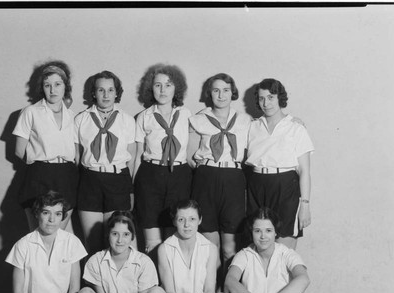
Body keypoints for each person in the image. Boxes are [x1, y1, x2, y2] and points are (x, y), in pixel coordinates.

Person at [187, 73, 251, 273]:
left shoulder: (245, 120)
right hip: (206, 179)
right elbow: (190, 157)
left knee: (230, 248)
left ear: (233, 93)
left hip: (233, 181)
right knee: (210, 248)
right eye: (216, 90)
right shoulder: (198, 120)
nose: (221, 95)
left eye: (226, 90)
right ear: (209, 93)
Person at [245, 78, 314, 250]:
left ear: (279, 98)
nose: (266, 103)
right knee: (258, 248)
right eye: (261, 98)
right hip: (256, 186)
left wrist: (305, 205)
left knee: (284, 250)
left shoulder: (295, 127)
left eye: (271, 97)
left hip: (285, 187)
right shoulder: (252, 126)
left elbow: (304, 171)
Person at [134, 63, 193, 258]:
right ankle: (152, 287)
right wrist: (132, 187)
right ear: (151, 88)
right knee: (152, 241)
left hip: (179, 175)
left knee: (174, 238)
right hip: (151, 174)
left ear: (177, 88)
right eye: (158, 85)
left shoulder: (187, 115)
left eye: (168, 85)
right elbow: (137, 155)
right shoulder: (144, 117)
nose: (163, 90)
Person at [74, 70, 136, 255]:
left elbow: (131, 158)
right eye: (101, 90)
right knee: (92, 243)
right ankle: (93, 284)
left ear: (117, 93)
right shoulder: (81, 119)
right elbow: (77, 157)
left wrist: (130, 189)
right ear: (94, 93)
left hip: (118, 180)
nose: (106, 95)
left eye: (111, 90)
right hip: (90, 180)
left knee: (118, 242)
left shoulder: (127, 120)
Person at [13, 60, 78, 232]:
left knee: (60, 236)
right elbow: (20, 151)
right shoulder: (31, 112)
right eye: (47, 85)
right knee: (39, 236)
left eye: (57, 84)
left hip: (66, 176)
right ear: (42, 87)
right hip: (39, 177)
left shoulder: (72, 116)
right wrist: (40, 166)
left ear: (66, 87)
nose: (52, 90)